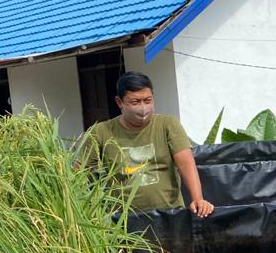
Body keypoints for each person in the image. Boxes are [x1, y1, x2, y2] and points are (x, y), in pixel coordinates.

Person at [80, 72, 214, 217]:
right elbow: (79, 173)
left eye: (147, 100)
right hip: (123, 222)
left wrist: (198, 199)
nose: (143, 108)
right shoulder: (101, 132)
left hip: (170, 216)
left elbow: (186, 163)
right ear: (119, 102)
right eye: (135, 102)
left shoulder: (167, 125)